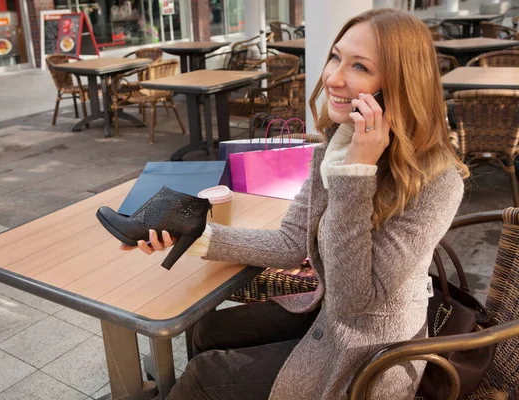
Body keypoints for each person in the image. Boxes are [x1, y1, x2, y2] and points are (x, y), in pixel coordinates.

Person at [104, 8, 468, 400]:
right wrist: (193, 233)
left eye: (359, 66)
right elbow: (292, 242)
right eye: (335, 57)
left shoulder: (437, 181)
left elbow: (352, 303)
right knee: (207, 329)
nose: (333, 77)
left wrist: (356, 174)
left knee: (204, 376)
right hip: (326, 312)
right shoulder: (337, 144)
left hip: (371, 353)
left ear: (400, 84)